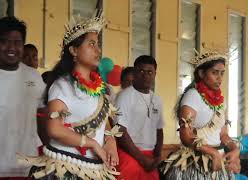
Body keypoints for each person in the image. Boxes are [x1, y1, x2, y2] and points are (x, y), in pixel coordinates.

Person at [17, 10, 121, 179]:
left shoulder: (100, 88)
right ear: (73, 50)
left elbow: (105, 125)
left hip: (94, 170)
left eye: (97, 44)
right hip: (66, 170)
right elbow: (54, 128)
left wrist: (110, 142)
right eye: (91, 44)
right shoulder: (62, 86)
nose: (98, 50)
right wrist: (92, 144)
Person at [160, 51, 240, 179]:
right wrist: (212, 152)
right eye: (214, 72)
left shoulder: (221, 100)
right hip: (196, 162)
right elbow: (186, 135)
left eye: (222, 73)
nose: (219, 78)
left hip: (218, 160)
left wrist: (235, 149)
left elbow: (223, 135)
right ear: (202, 73)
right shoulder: (192, 96)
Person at [0, 16, 47, 178]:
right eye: (4, 41)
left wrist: (49, 152)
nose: (11, 47)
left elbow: (42, 115)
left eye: (17, 42)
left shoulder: (33, 77)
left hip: (26, 166)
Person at [115, 55, 164, 180]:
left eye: (150, 72)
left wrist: (158, 155)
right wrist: (142, 159)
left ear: (155, 74)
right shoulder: (124, 96)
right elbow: (120, 130)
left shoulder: (157, 100)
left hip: (150, 157)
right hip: (129, 155)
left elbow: (159, 129)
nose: (146, 75)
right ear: (135, 73)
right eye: (141, 71)